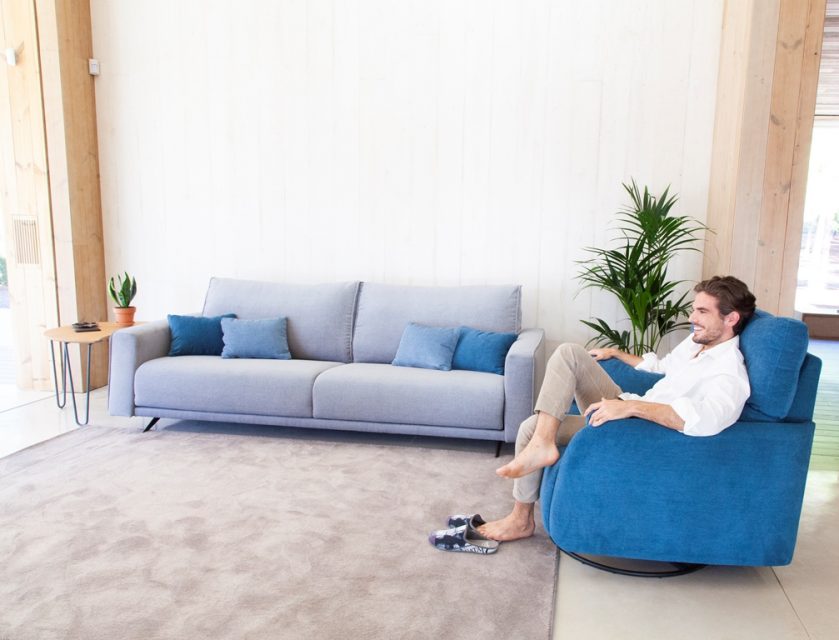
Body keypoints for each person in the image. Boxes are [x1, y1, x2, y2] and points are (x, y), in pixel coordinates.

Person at [478, 275, 756, 542]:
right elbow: (661, 367)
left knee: (530, 427)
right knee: (568, 353)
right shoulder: (698, 342)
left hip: (640, 429)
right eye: (694, 309)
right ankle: (543, 445)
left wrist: (632, 408)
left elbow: (705, 421)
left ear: (731, 318)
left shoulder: (729, 372)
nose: (692, 318)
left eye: (702, 311)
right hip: (630, 407)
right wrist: (615, 354)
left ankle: (521, 519)